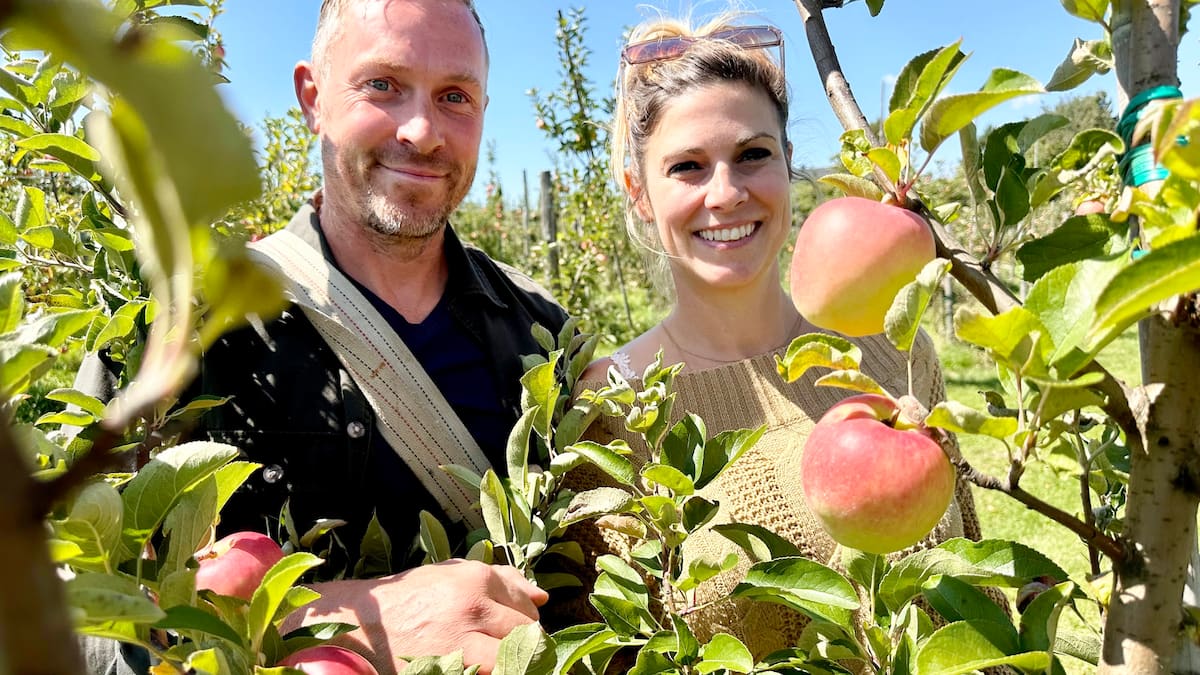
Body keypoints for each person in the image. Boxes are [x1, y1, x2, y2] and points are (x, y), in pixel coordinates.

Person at [83, 1, 566, 674]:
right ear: (312, 98)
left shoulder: (544, 337)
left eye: (455, 96)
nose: (423, 131)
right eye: (383, 85)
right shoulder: (180, 330)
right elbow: (69, 610)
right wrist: (331, 623)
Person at [552, 12, 990, 659]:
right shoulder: (614, 411)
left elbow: (973, 586)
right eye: (688, 167)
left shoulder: (894, 353)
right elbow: (607, 655)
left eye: (753, 154)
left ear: (788, 163)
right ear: (638, 191)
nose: (725, 192)